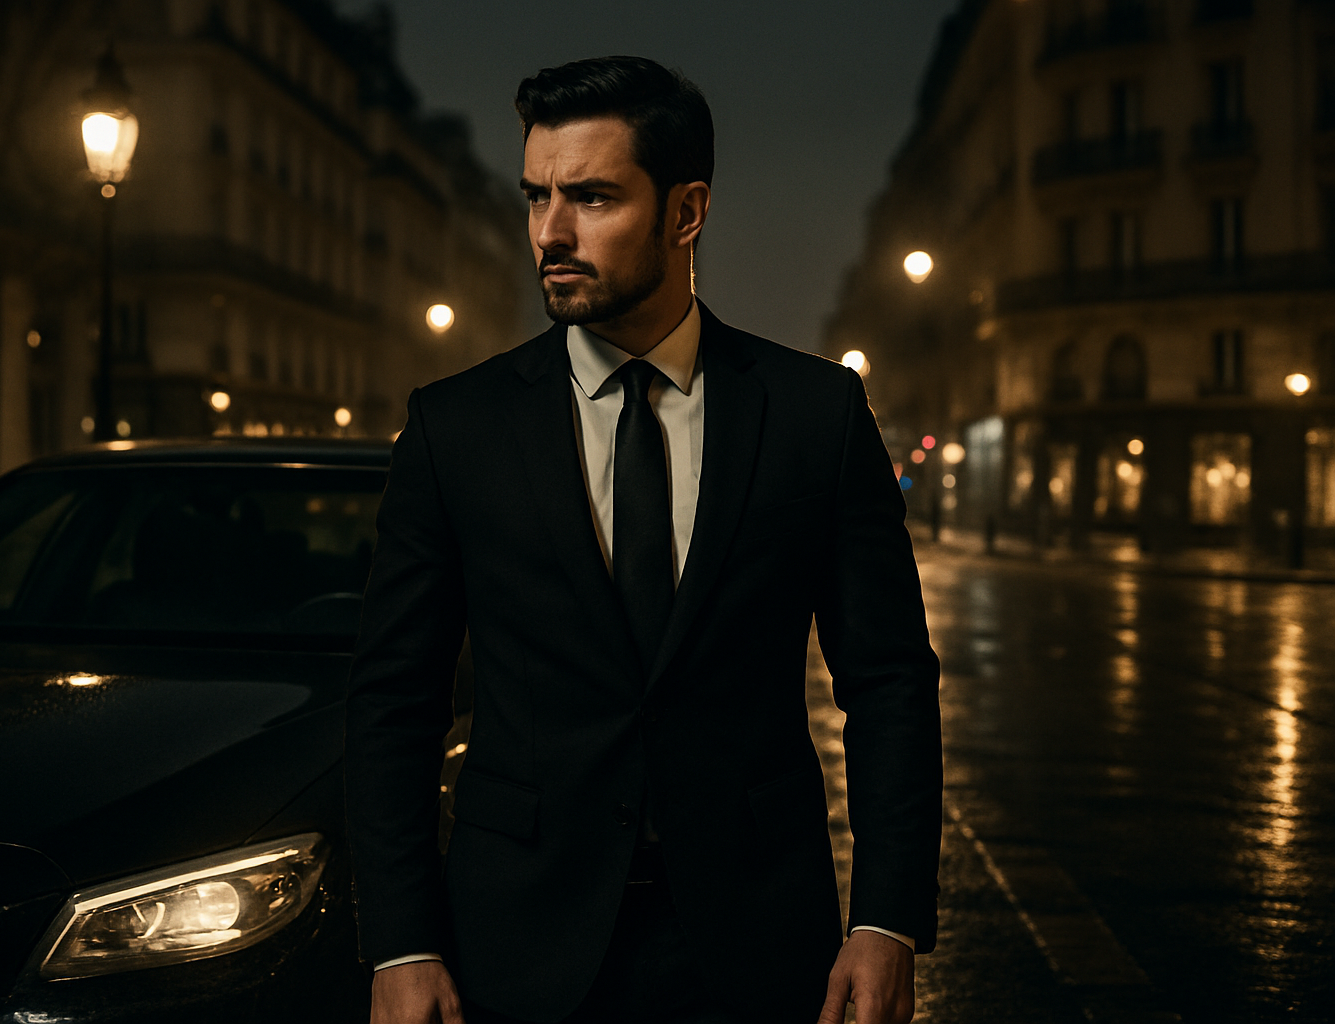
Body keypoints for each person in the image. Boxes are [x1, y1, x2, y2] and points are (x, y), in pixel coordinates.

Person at [344, 55, 942, 1024]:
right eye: (536, 195)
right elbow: (393, 698)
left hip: (755, 935)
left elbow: (888, 681)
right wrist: (401, 942)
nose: (549, 231)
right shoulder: (457, 427)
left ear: (686, 211)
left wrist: (886, 921)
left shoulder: (814, 415)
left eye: (590, 196)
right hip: (515, 936)